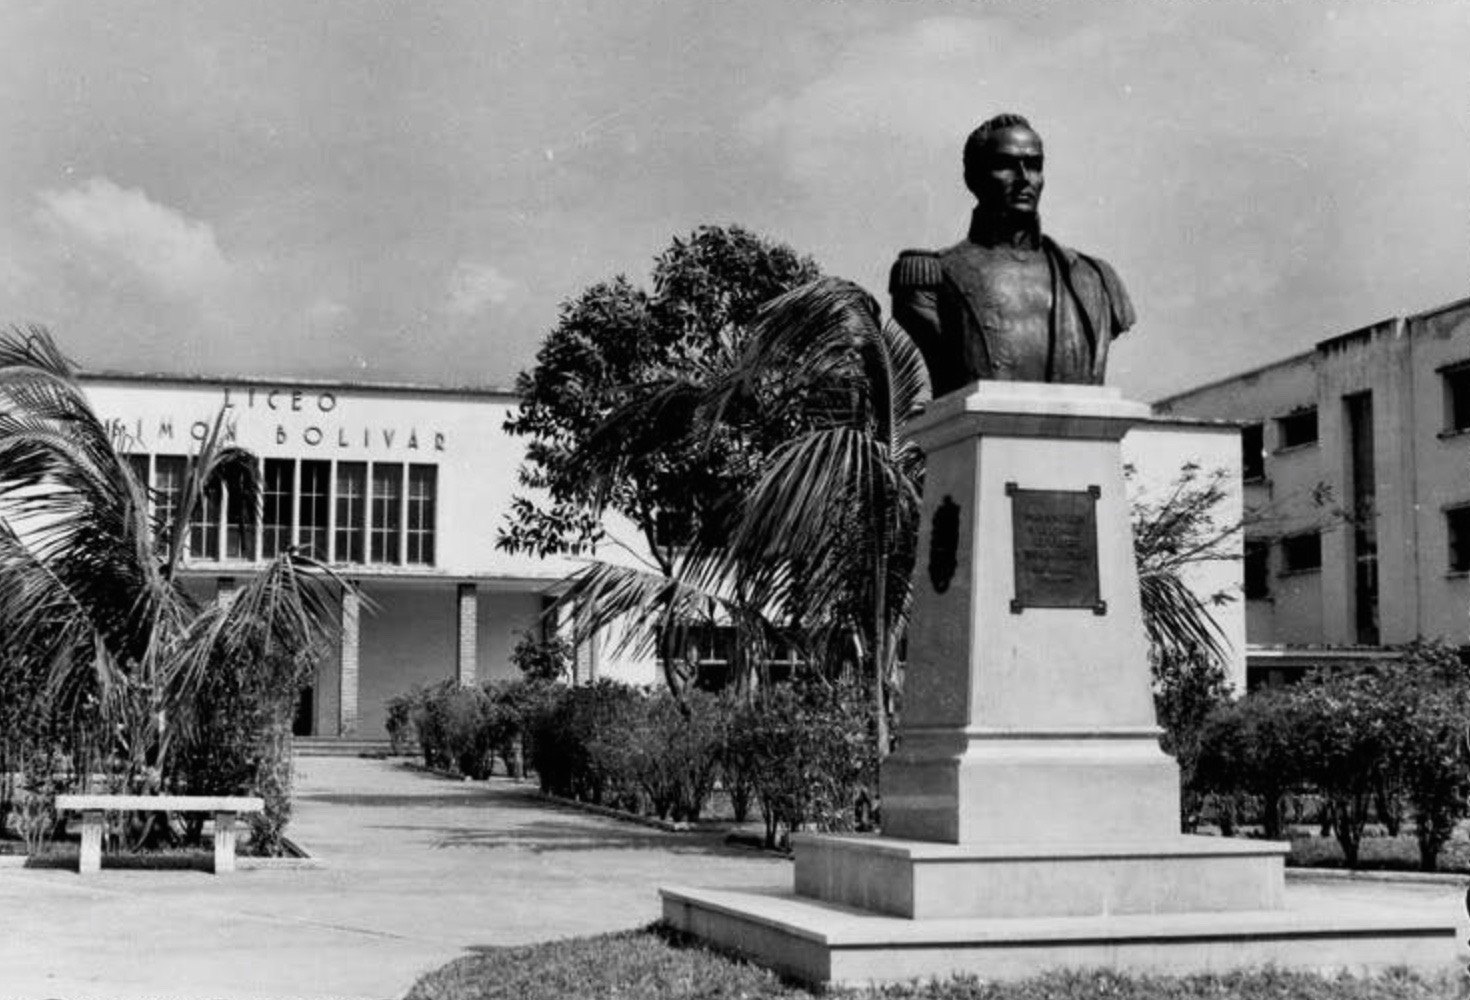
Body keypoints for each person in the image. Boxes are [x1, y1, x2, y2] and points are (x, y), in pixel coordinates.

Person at [890, 114, 1135, 396]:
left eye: (1034, 165)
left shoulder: (1094, 280)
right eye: (1005, 165)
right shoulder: (931, 277)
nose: (1024, 178)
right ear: (973, 178)